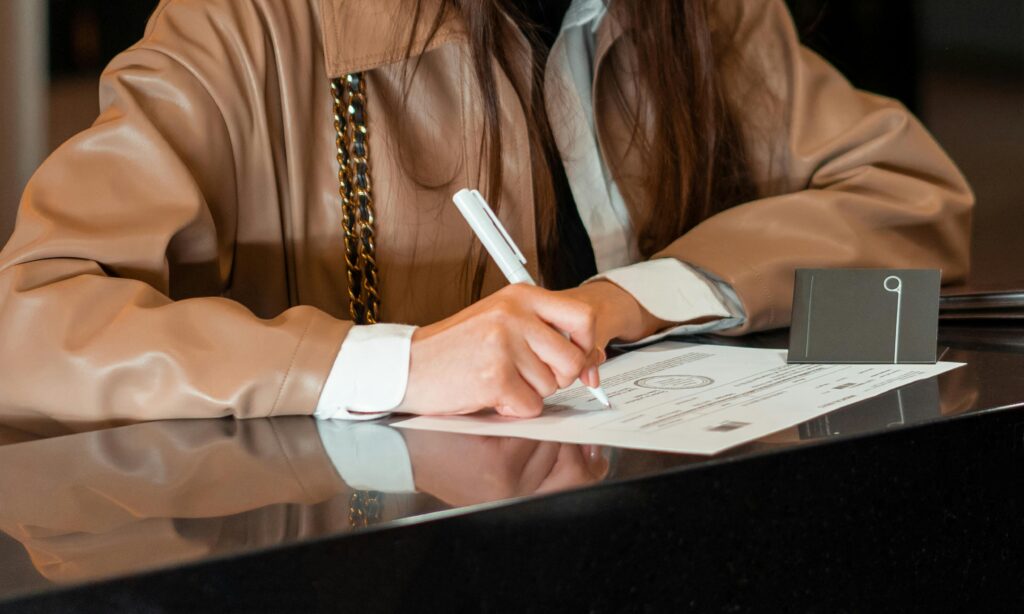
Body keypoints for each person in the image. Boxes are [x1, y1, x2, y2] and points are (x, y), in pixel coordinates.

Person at [0, 0, 973, 425]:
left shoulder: (704, 14)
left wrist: (633, 296)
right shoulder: (248, 25)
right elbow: (30, 324)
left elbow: (914, 217)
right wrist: (398, 364)